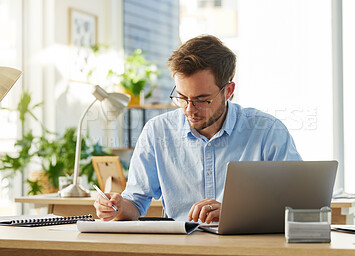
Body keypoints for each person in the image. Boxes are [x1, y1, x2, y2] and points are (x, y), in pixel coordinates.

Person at [94, 35, 302, 224]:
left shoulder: (267, 131)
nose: (190, 109)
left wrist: (235, 212)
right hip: (182, 248)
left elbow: (299, 204)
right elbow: (135, 203)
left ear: (228, 91)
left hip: (245, 247)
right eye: (182, 97)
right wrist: (117, 207)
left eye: (202, 100)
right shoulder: (157, 132)